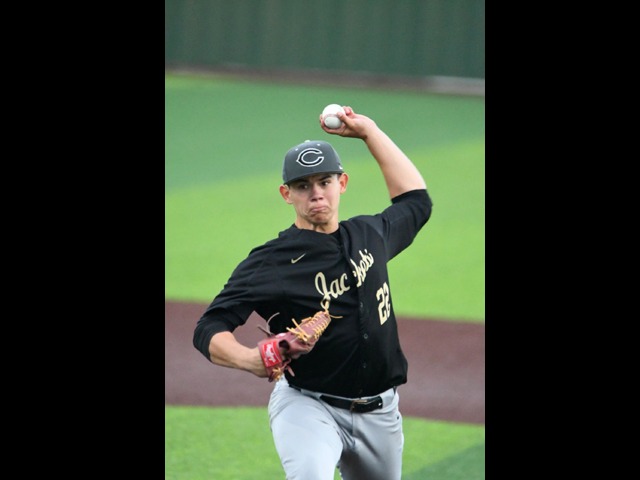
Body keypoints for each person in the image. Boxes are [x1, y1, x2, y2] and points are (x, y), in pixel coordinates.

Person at [193, 105, 433, 480]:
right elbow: (209, 326)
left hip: (381, 412)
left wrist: (370, 132)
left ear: (343, 183)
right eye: (303, 186)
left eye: (324, 181)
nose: (316, 194)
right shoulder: (270, 261)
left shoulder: (371, 234)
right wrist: (246, 358)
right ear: (286, 194)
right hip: (308, 405)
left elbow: (416, 202)